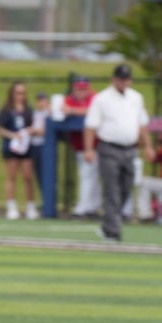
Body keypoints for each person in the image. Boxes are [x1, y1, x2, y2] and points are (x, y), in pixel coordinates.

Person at [83, 64, 156, 242]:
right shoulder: (102, 99)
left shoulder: (136, 98)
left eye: (126, 79)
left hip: (130, 149)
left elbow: (142, 124)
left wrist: (148, 146)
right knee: (111, 189)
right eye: (120, 79)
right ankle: (113, 231)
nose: (123, 82)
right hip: (109, 147)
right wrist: (89, 148)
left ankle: (108, 223)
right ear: (113, 79)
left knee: (126, 186)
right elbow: (91, 125)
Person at [0, 81, 38, 220]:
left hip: (26, 147)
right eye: (18, 93)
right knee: (11, 176)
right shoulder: (6, 110)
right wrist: (12, 135)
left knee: (27, 177)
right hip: (11, 146)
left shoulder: (28, 110)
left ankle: (31, 206)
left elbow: (34, 126)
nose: (20, 96)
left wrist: (28, 132)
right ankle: (11, 206)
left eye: (23, 93)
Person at [62, 75, 101, 218]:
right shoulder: (69, 98)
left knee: (88, 175)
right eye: (79, 89)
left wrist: (73, 110)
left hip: (95, 146)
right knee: (89, 176)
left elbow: (91, 111)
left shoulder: (96, 98)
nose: (81, 92)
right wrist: (73, 109)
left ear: (89, 88)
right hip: (78, 146)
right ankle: (92, 207)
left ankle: (83, 208)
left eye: (84, 89)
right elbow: (63, 108)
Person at [30, 91, 50, 198]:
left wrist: (34, 131)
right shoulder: (34, 114)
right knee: (38, 173)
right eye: (39, 101)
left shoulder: (49, 114)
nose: (41, 103)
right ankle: (44, 198)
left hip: (45, 146)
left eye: (43, 100)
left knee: (46, 174)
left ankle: (48, 198)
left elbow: (45, 130)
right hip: (34, 146)